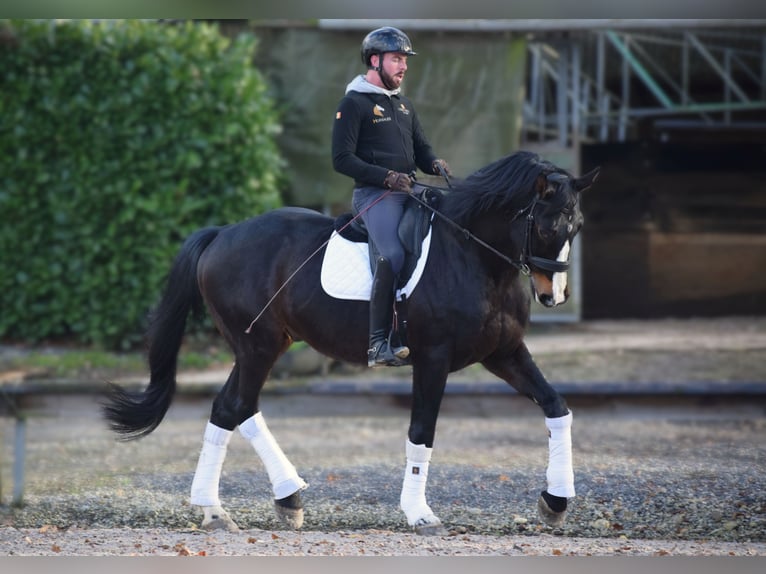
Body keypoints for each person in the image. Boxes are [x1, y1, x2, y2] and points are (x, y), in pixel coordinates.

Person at [331, 26, 451, 368]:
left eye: (405, 60)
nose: (404, 66)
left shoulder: (403, 105)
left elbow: (422, 150)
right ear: (375, 60)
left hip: (409, 190)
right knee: (393, 254)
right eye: (397, 59)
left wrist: (434, 163)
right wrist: (386, 177)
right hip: (374, 196)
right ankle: (377, 343)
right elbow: (341, 159)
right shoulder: (353, 103)